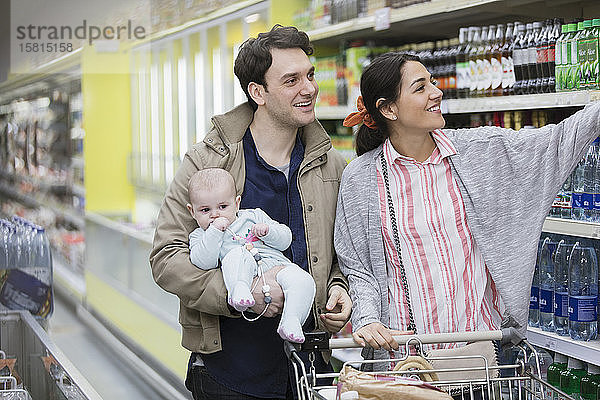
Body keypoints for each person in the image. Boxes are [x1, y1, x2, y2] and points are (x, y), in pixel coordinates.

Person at [334, 52, 600, 356]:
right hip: (405, 360)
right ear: (389, 109)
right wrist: (367, 319)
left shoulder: (480, 152)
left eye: (432, 82)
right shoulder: (361, 177)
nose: (437, 92)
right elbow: (358, 266)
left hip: (480, 356)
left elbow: (557, 141)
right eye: (420, 88)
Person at [149, 24, 351, 400]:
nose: (308, 88)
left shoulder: (332, 165)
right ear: (258, 92)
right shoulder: (207, 161)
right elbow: (166, 257)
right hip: (230, 372)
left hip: (312, 371)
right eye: (291, 80)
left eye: (309, 75)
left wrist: (338, 288)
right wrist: (238, 293)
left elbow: (344, 253)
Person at [186, 168, 316, 343]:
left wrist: (269, 232)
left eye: (223, 207)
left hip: (276, 266)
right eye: (205, 210)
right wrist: (214, 232)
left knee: (304, 281)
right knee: (236, 255)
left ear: (237, 203)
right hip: (245, 273)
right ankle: (239, 291)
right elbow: (203, 262)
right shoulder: (200, 235)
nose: (215, 214)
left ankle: (291, 320)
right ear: (192, 211)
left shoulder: (254, 216)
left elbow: (286, 239)